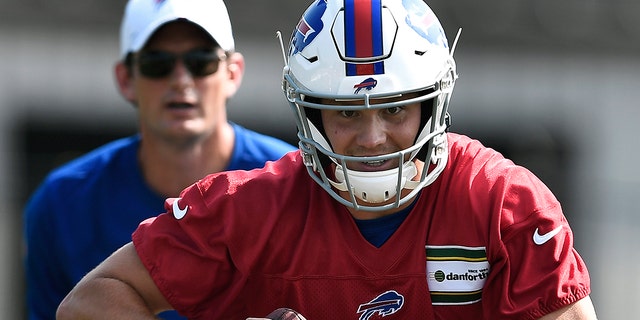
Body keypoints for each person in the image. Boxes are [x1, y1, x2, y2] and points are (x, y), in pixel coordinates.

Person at [56, 0, 598, 319]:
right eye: (345, 114)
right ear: (309, 117)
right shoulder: (251, 208)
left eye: (395, 109)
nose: (371, 137)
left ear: (435, 104)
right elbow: (91, 301)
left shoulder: (503, 205)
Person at [23, 0, 296, 319]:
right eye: (157, 63)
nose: (180, 80)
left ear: (233, 73)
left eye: (200, 61)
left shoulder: (294, 183)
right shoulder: (61, 203)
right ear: (125, 79)